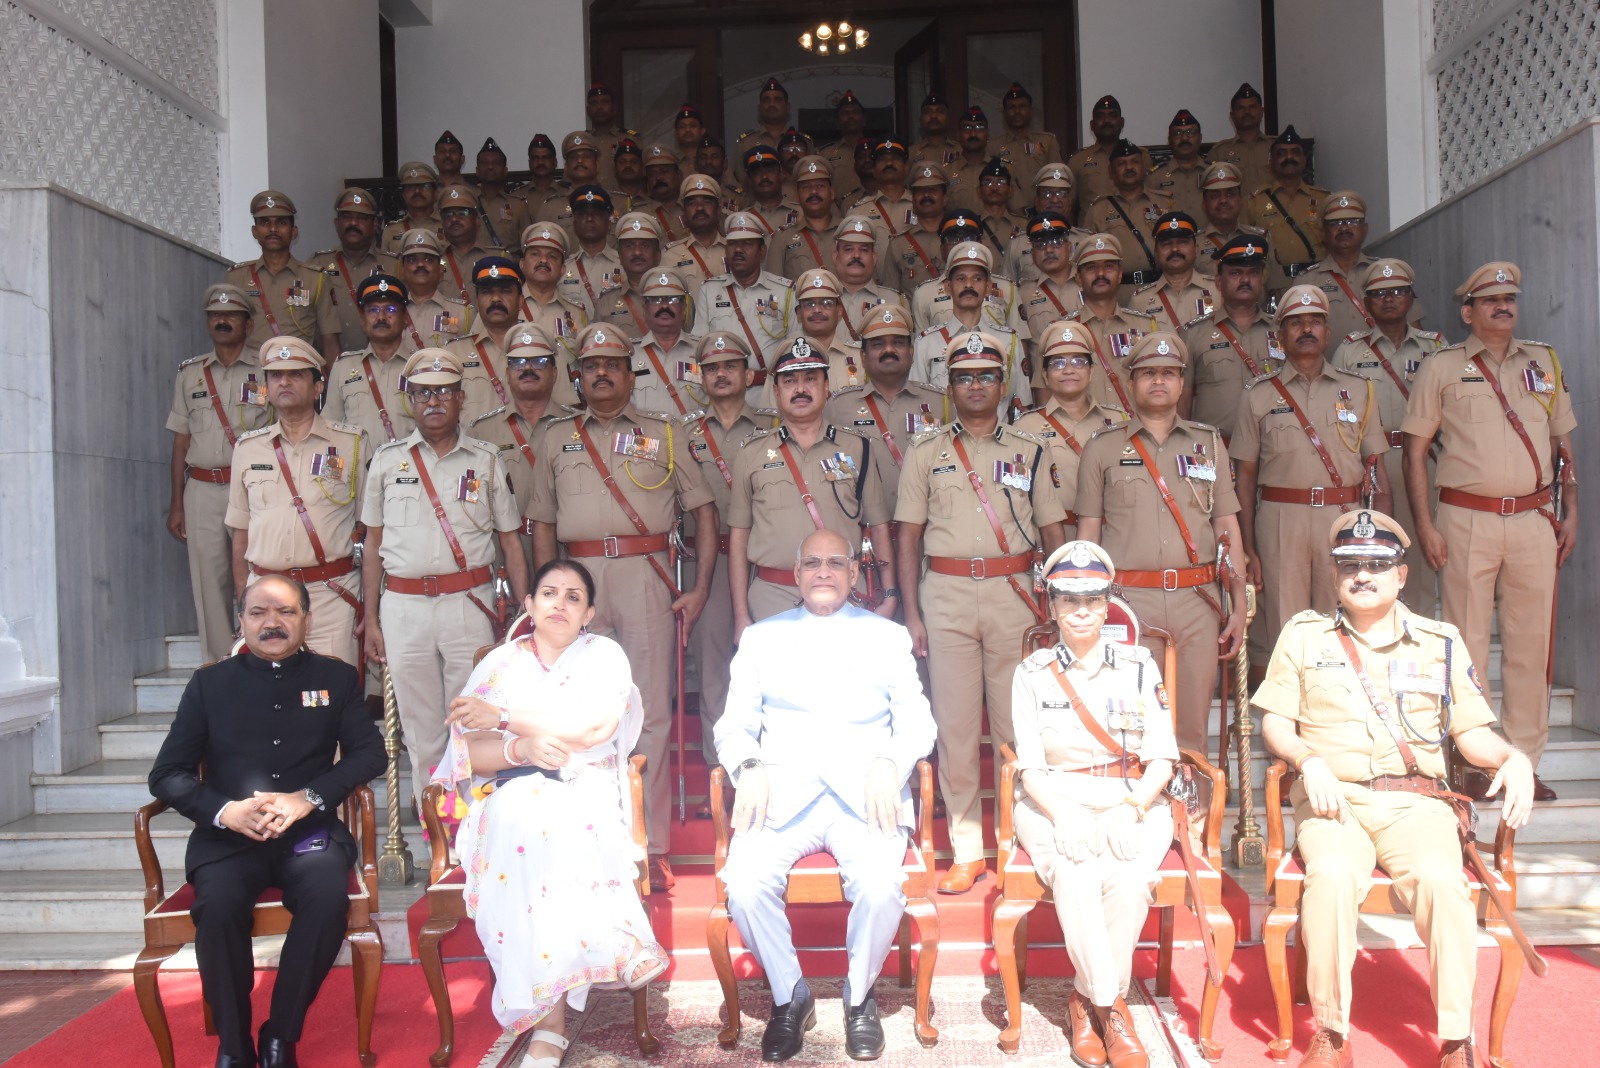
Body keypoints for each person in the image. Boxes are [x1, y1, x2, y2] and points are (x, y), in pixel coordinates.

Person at [1254, 509, 1535, 1068]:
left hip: (1416, 802)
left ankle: (1456, 1038)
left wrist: (1512, 756)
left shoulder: (1440, 642)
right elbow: (1275, 723)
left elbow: (1471, 733)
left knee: (1440, 881)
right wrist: (1307, 760)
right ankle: (1332, 1033)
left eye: (1377, 565)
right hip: (1335, 799)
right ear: (1336, 575)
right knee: (1331, 878)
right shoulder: (1304, 635)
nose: (1363, 575)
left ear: (1401, 576)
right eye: (1351, 565)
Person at [431, 559, 669, 1068]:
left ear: (589, 614)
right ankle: (617, 940)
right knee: (526, 815)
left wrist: (505, 719)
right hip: (508, 793)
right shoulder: (497, 665)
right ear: (530, 605)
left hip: (586, 787)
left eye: (574, 596)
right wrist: (523, 751)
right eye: (549, 593)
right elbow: (470, 753)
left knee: (557, 816)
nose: (560, 603)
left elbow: (591, 730)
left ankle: (554, 1027)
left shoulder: (604, 656)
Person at [148, 574, 386, 1068]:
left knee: (326, 899)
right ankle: (234, 1045)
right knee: (218, 906)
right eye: (258, 613)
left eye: (285, 612)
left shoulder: (336, 678)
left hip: (309, 834)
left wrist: (309, 797)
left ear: (306, 618)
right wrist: (224, 811)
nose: (271, 623)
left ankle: (280, 1034)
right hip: (230, 838)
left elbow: (370, 754)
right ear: (242, 621)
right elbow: (166, 774)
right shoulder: (209, 684)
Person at [717, 528, 936, 1062]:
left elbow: (919, 724)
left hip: (866, 793)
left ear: (854, 574)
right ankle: (791, 996)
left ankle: (858, 997)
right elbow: (732, 727)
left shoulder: (886, 636)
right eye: (811, 562)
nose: (823, 571)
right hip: (780, 793)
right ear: (795, 574)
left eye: (836, 562)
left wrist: (890, 761)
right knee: (743, 886)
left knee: (884, 885)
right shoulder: (761, 638)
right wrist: (748, 766)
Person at [527, 323, 719, 890]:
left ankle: (649, 844)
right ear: (578, 376)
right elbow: (542, 520)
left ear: (631, 375)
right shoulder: (556, 438)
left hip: (645, 576)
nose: (602, 373)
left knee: (651, 714)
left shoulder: (664, 433)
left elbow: (703, 509)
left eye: (613, 363)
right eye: (591, 366)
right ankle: (586, 841)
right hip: (576, 584)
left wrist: (701, 585)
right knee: (572, 713)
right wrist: (545, 593)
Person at [896, 330, 1067, 893]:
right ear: (949, 386)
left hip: (1013, 594)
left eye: (986, 375)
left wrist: (1058, 604)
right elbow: (908, 536)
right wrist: (912, 615)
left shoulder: (1029, 449)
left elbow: (1052, 531)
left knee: (1016, 725)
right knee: (957, 728)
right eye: (964, 376)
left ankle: (1020, 840)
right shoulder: (925, 452)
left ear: (1002, 383)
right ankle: (967, 848)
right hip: (943, 597)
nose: (975, 385)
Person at [1402, 261, 1577, 799]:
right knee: (1466, 645)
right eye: (1491, 299)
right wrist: (1425, 525)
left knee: (1529, 644)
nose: (1504, 306)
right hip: (1466, 518)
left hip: (1533, 519)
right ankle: (1473, 760)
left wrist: (1573, 511)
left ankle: (1523, 762)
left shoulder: (1543, 362)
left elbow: (1562, 443)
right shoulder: (1442, 367)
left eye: (1510, 298)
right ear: (1468, 311)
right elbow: (1413, 452)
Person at [1011, 540, 1175, 1068]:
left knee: (1127, 881)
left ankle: (1085, 1000)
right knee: (1078, 873)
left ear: (1108, 604)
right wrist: (1064, 813)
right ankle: (1113, 1008)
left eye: (1092, 600)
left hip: (1132, 799)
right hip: (1054, 798)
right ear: (1051, 606)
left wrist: (1132, 808)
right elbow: (1029, 767)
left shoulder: (1139, 664)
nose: (1081, 612)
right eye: (1068, 600)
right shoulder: (1032, 673)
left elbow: (1163, 760)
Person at [361, 346, 528, 812]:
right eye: (422, 393)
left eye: (444, 393)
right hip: (403, 607)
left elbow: (511, 541)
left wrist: (522, 608)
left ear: (460, 399)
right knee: (419, 724)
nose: (433, 402)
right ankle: (437, 828)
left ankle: (471, 827)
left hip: (467, 603)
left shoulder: (488, 459)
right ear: (409, 401)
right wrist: (371, 619)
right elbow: (372, 545)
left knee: (471, 717)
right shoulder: (386, 462)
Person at [1075, 332, 1247, 753]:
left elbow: (1226, 524)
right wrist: (1086, 602)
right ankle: (1141, 814)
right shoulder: (1102, 448)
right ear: (1130, 381)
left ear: (1182, 383)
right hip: (1130, 600)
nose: (1159, 381)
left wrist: (1240, 602)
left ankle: (1196, 813)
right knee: (1130, 725)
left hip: (1196, 600)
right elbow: (1089, 535)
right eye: (1148, 373)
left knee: (1191, 728)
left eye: (1168, 373)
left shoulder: (1208, 444)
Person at [1234, 284, 1391, 676]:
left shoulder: (1358, 389)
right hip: (1281, 518)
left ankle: (1336, 712)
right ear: (1280, 335)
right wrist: (1247, 548)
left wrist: (1383, 536)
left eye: (1315, 321)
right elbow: (1245, 478)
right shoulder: (1257, 395)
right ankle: (1289, 718)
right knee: (1288, 624)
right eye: (1296, 323)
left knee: (1344, 615)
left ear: (1327, 330)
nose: (1307, 329)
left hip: (1343, 518)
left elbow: (1376, 468)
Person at [727, 338, 894, 629]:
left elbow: (877, 526)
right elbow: (739, 537)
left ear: (826, 387)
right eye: (790, 380)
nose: (801, 389)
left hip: (843, 594)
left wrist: (889, 594)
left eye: (811, 379)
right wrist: (740, 614)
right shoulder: (751, 453)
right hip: (772, 597)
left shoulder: (858, 448)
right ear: (776, 392)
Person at [226, 338, 369, 666]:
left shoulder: (352, 443)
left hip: (330, 595)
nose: (284, 382)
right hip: (266, 596)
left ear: (318, 386)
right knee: (268, 701)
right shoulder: (248, 448)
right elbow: (240, 533)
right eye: (275, 376)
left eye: (295, 375)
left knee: (330, 698)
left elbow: (370, 529)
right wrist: (245, 603)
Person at [167, 284, 274, 663]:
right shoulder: (190, 374)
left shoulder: (268, 372)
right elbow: (181, 442)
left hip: (252, 488)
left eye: (230, 315)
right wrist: (176, 503)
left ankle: (262, 654)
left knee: (257, 574)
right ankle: (217, 664)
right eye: (215, 316)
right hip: (202, 488)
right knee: (208, 583)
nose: (222, 321)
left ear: (248, 322)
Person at [1331, 259, 1444, 610]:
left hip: (1424, 461)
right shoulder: (1350, 350)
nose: (1389, 299)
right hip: (1373, 464)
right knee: (1373, 552)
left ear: (1412, 299)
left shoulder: (1435, 347)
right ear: (1366, 302)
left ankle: (1418, 630)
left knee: (1421, 553)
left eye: (1398, 292)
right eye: (1379, 294)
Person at [681, 332, 767, 787]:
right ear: (700, 376)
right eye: (712, 367)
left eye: (730, 366)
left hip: (763, 565)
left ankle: (773, 770)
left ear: (748, 375)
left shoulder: (773, 427)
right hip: (709, 566)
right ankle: (722, 778)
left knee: (773, 667)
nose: (721, 374)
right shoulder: (682, 433)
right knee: (715, 671)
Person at [1012, 322, 1128, 540]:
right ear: (1045, 375)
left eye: (1078, 361)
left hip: (1113, 538)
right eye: (1057, 363)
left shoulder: (1119, 421)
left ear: (1091, 371)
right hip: (1054, 539)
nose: (1068, 370)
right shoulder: (1025, 428)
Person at [824, 304, 945, 513]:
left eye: (897, 343)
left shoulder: (941, 402)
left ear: (911, 351)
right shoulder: (838, 406)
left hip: (927, 529)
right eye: (878, 344)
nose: (889, 350)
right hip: (866, 531)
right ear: (862, 356)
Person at [469, 323, 566, 574]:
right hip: (503, 555)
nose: (528, 369)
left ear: (555, 373)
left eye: (539, 361)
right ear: (507, 373)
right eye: (518, 362)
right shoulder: (481, 432)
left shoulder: (575, 426)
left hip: (565, 554)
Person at [910, 240, 1030, 413]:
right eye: (961, 278)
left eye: (977, 278)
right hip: (945, 438)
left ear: (988, 288)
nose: (968, 285)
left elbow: (1022, 403)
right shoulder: (926, 342)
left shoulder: (1009, 340)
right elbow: (918, 405)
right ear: (948, 287)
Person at [1181, 233, 1280, 442]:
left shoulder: (1282, 330)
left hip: (1273, 449)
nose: (1245, 280)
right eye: (1235, 273)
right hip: (1216, 450)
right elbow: (1183, 402)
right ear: (1218, 281)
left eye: (1253, 273)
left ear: (1262, 279)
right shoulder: (1194, 334)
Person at [226, 191, 341, 364]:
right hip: (252, 377)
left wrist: (333, 389)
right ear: (254, 231)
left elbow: (330, 341)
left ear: (294, 231)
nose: (273, 229)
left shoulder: (315, 278)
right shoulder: (237, 278)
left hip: (297, 376)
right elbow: (228, 339)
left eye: (281, 222)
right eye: (265, 222)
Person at [691, 211, 798, 395]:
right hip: (722, 393)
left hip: (769, 392)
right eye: (732, 244)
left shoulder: (785, 291)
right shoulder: (709, 291)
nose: (738, 250)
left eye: (747, 244)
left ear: (762, 251)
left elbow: (795, 347)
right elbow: (697, 347)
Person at [1055, 234, 1160, 412]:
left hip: (1136, 433)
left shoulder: (1147, 327)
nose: (1101, 274)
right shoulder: (1059, 332)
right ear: (1078, 278)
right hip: (1083, 434)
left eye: (1109, 267)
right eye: (1091, 268)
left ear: (1120, 275)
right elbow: (1046, 394)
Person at [321, 274, 415, 446]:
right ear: (362, 320)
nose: (381, 317)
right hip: (358, 469)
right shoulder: (343, 367)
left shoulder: (421, 366)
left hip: (408, 468)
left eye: (391, 310)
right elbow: (329, 426)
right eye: (373, 310)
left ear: (405, 319)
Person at [307, 187, 396, 352]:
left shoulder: (394, 265)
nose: (353, 223)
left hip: (381, 366)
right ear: (336, 223)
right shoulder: (317, 264)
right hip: (330, 367)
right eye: (346, 217)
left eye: (362, 218)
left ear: (375, 224)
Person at [1247, 126, 1329, 291]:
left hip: (1316, 283)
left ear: (1305, 159)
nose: (1289, 157)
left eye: (1295, 152)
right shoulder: (1255, 201)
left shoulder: (1323, 199)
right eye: (1281, 153)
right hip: (1274, 286)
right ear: (1271, 162)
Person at [1085, 141, 1173, 291]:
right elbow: (1088, 259)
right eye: (1121, 164)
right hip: (1119, 293)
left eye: (1135, 162)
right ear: (1111, 172)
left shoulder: (1165, 203)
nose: (1129, 167)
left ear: (1143, 167)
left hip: (1161, 288)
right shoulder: (1097, 210)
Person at [627, 268, 702, 416]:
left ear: (684, 308)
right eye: (656, 300)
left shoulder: (702, 351)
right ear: (644, 310)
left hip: (693, 437)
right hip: (648, 438)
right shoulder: (630, 355)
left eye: (672, 299)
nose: (664, 306)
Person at [1005, 163, 1088, 286]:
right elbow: (1006, 294)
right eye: (1047, 194)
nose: (1054, 200)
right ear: (1036, 201)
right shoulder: (1017, 244)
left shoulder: (1086, 241)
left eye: (1061, 194)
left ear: (1070, 201)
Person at [1067, 96, 1151, 217]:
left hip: (1132, 229)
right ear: (1092, 125)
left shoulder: (1141, 157)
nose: (1106, 120)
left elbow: (1151, 199)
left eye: (1112, 115)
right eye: (1100, 116)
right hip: (1093, 232)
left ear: (1122, 122)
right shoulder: (1077, 161)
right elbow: (1069, 207)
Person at [1131, 212, 1214, 334]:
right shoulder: (1139, 301)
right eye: (1166, 244)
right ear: (1156, 253)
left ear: (1196, 249)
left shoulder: (1220, 292)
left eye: (1183, 242)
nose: (1175, 249)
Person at [395, 227, 472, 352]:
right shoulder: (392, 312)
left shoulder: (463, 313)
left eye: (428, 260)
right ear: (402, 271)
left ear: (441, 270)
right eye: (412, 260)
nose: (420, 264)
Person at [592, 211, 667, 337]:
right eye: (629, 246)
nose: (637, 252)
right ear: (620, 256)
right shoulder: (606, 302)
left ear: (658, 255)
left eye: (644, 245)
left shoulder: (676, 298)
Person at [767, 156, 841, 281]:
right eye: (806, 187)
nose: (813, 192)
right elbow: (774, 290)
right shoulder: (782, 238)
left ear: (832, 192)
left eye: (820, 186)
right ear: (797, 195)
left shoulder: (848, 231)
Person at [1017, 212, 1086, 342]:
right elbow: (1021, 344)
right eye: (1040, 245)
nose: (1048, 250)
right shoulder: (1023, 293)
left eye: (1056, 242)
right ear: (1032, 254)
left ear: (1070, 247)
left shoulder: (1089, 283)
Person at [882, 162, 950, 294]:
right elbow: (890, 295)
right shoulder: (898, 245)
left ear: (945, 198)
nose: (926, 196)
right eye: (920, 191)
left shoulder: (960, 238)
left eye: (933, 190)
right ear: (912, 199)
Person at [559, 186, 626, 315]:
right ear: (574, 225)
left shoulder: (624, 265)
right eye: (583, 214)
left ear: (608, 225)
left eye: (596, 214)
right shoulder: (562, 270)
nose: (589, 218)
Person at [733, 77, 813, 182]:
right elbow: (742, 182)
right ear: (759, 107)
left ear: (788, 107)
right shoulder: (745, 143)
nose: (771, 104)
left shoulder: (805, 142)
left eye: (777, 99)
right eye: (766, 100)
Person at [663, 174, 729, 292]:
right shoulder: (669, 255)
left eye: (707, 202)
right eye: (692, 203)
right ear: (684, 213)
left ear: (719, 211)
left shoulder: (734, 250)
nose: (699, 208)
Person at [1207, 83, 1274, 199]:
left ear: (1262, 111)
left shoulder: (1276, 147)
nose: (1247, 112)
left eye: (1252, 107)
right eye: (1240, 108)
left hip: (1273, 214)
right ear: (1232, 116)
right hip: (1237, 216)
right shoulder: (1219, 152)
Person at [437, 185, 503, 303]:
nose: (454, 219)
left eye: (462, 213)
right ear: (442, 223)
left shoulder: (499, 257)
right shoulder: (434, 259)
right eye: (448, 215)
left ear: (477, 220)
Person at [993, 82, 1062, 191]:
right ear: (1004, 113)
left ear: (1031, 111)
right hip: (1008, 207)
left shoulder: (1048, 141)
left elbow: (1058, 178)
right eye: (1011, 107)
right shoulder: (993, 146)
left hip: (1042, 206)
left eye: (1022, 106)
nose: (1017, 111)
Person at [851, 137, 916, 249]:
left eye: (895, 158)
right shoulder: (858, 212)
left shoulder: (920, 205)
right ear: (874, 171)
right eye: (882, 159)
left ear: (906, 168)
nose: (889, 163)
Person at [1149, 110, 1208, 221]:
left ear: (1200, 138)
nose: (1184, 138)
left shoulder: (1213, 172)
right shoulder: (1154, 178)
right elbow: (1152, 221)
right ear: (1169, 140)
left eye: (1190, 132)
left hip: (1210, 238)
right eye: (1178, 133)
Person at [1197, 161, 1264, 257]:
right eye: (1215, 195)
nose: (1223, 200)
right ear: (1204, 204)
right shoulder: (1192, 244)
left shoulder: (1260, 239)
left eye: (1230, 194)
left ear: (1240, 201)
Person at [473, 137, 529, 251]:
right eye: (485, 163)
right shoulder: (468, 202)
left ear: (505, 170)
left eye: (496, 163)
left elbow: (527, 245)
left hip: (508, 266)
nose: (490, 167)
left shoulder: (518, 206)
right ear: (477, 170)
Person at [379, 161, 442, 254]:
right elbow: (386, 265)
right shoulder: (391, 230)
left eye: (424, 186)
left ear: (436, 193)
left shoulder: (447, 226)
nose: (417, 191)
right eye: (410, 187)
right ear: (403, 195)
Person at [742, 144, 801, 236]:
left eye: (770, 170)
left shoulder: (802, 213)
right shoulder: (742, 218)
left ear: (780, 171)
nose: (764, 176)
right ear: (749, 178)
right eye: (757, 172)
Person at [819, 89, 869, 196]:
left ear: (864, 120)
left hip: (873, 210)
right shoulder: (824, 154)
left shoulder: (876, 150)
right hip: (839, 211)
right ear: (837, 123)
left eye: (855, 112)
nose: (851, 116)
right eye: (845, 113)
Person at [910, 92, 959, 168]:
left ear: (949, 118)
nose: (933, 116)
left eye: (940, 111)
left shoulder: (962, 151)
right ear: (920, 119)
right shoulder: (911, 153)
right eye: (927, 112)